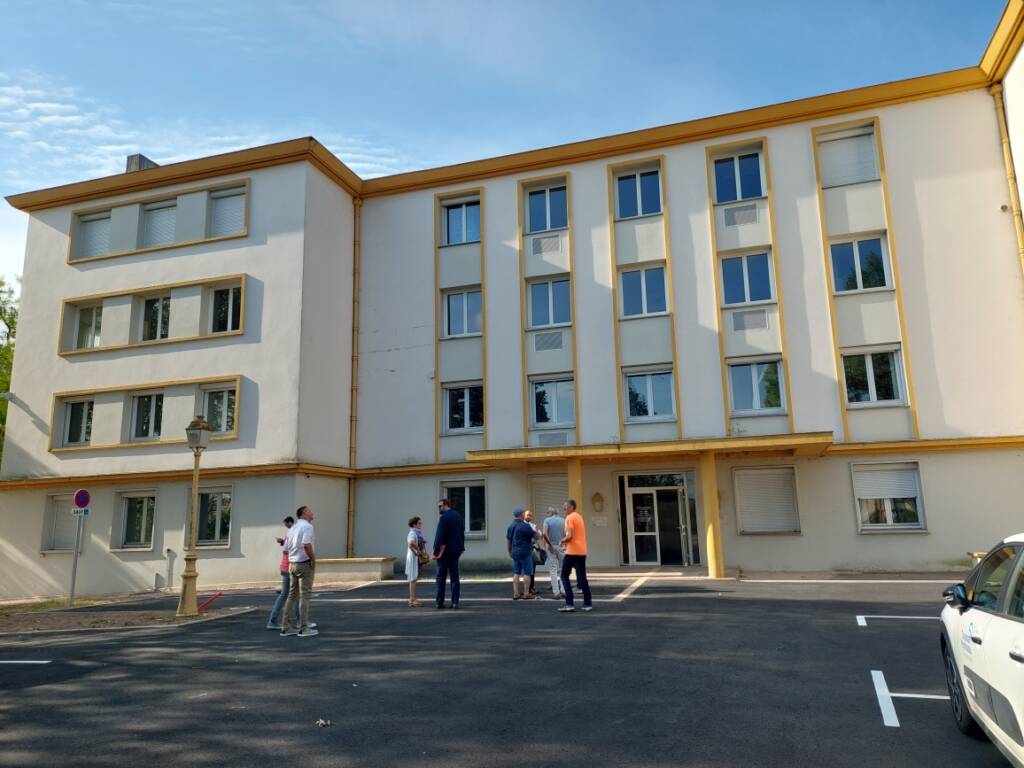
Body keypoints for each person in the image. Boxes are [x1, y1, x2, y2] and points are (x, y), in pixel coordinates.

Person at [281, 506, 319, 637]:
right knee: (305, 596)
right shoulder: (307, 527)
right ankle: (303, 628)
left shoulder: (292, 528)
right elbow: (306, 544)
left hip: (292, 564)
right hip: (304, 563)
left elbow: (286, 548)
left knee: (292, 596)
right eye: (309, 510)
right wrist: (312, 560)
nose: (312, 512)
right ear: (303, 514)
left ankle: (286, 627)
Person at [266, 516, 301, 630]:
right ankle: (300, 622)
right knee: (296, 595)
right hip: (290, 568)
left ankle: (273, 621)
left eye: (286, 524)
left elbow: (286, 548)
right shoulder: (292, 534)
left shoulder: (290, 534)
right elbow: (288, 550)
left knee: (285, 595)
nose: (286, 526)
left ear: (290, 522)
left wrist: (283, 542)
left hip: (285, 567)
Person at [559, 499, 592, 612]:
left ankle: (569, 603)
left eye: (566, 506)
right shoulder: (579, 517)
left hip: (572, 552)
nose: (564, 508)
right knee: (582, 578)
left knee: (564, 576)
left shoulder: (569, 518)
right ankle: (588, 604)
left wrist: (562, 541)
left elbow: (570, 535)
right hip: (582, 551)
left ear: (572, 507)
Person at [433, 498, 465, 609]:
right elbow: (461, 533)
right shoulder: (458, 516)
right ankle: (455, 602)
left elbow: (439, 536)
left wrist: (435, 551)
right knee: (455, 577)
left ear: (446, 505)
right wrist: (462, 547)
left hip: (443, 552)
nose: (439, 508)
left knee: (440, 578)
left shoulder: (444, 518)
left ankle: (439, 602)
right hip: (455, 551)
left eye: (440, 506)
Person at [506, 508, 537, 600]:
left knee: (516, 572)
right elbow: (535, 536)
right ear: (521, 515)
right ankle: (526, 593)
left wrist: (509, 551)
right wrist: (536, 531)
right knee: (527, 572)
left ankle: (516, 594)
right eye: (523, 514)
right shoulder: (525, 526)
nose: (524, 515)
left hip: (515, 551)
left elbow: (508, 540)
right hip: (525, 551)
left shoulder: (510, 526)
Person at [542, 506, 565, 600]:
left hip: (551, 547)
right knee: (563, 570)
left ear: (551, 513)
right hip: (561, 547)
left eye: (548, 512)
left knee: (553, 570)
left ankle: (556, 593)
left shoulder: (547, 520)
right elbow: (567, 534)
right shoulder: (563, 520)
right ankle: (563, 590)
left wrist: (549, 544)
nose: (547, 514)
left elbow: (544, 533)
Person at [406, 516, 427, 608]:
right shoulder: (412, 533)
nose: (421, 524)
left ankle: (413, 599)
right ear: (414, 524)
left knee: (414, 578)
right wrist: (418, 550)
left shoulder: (416, 533)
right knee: (413, 579)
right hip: (413, 558)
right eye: (419, 523)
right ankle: (412, 600)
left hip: (415, 557)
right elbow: (410, 543)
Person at [523, 509, 541, 596]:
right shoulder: (521, 525)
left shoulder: (533, 525)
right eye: (527, 515)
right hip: (524, 549)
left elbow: (538, 537)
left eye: (530, 515)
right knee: (525, 570)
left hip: (532, 549)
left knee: (532, 569)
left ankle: (531, 588)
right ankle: (526, 589)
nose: (529, 516)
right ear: (524, 515)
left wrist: (537, 531)